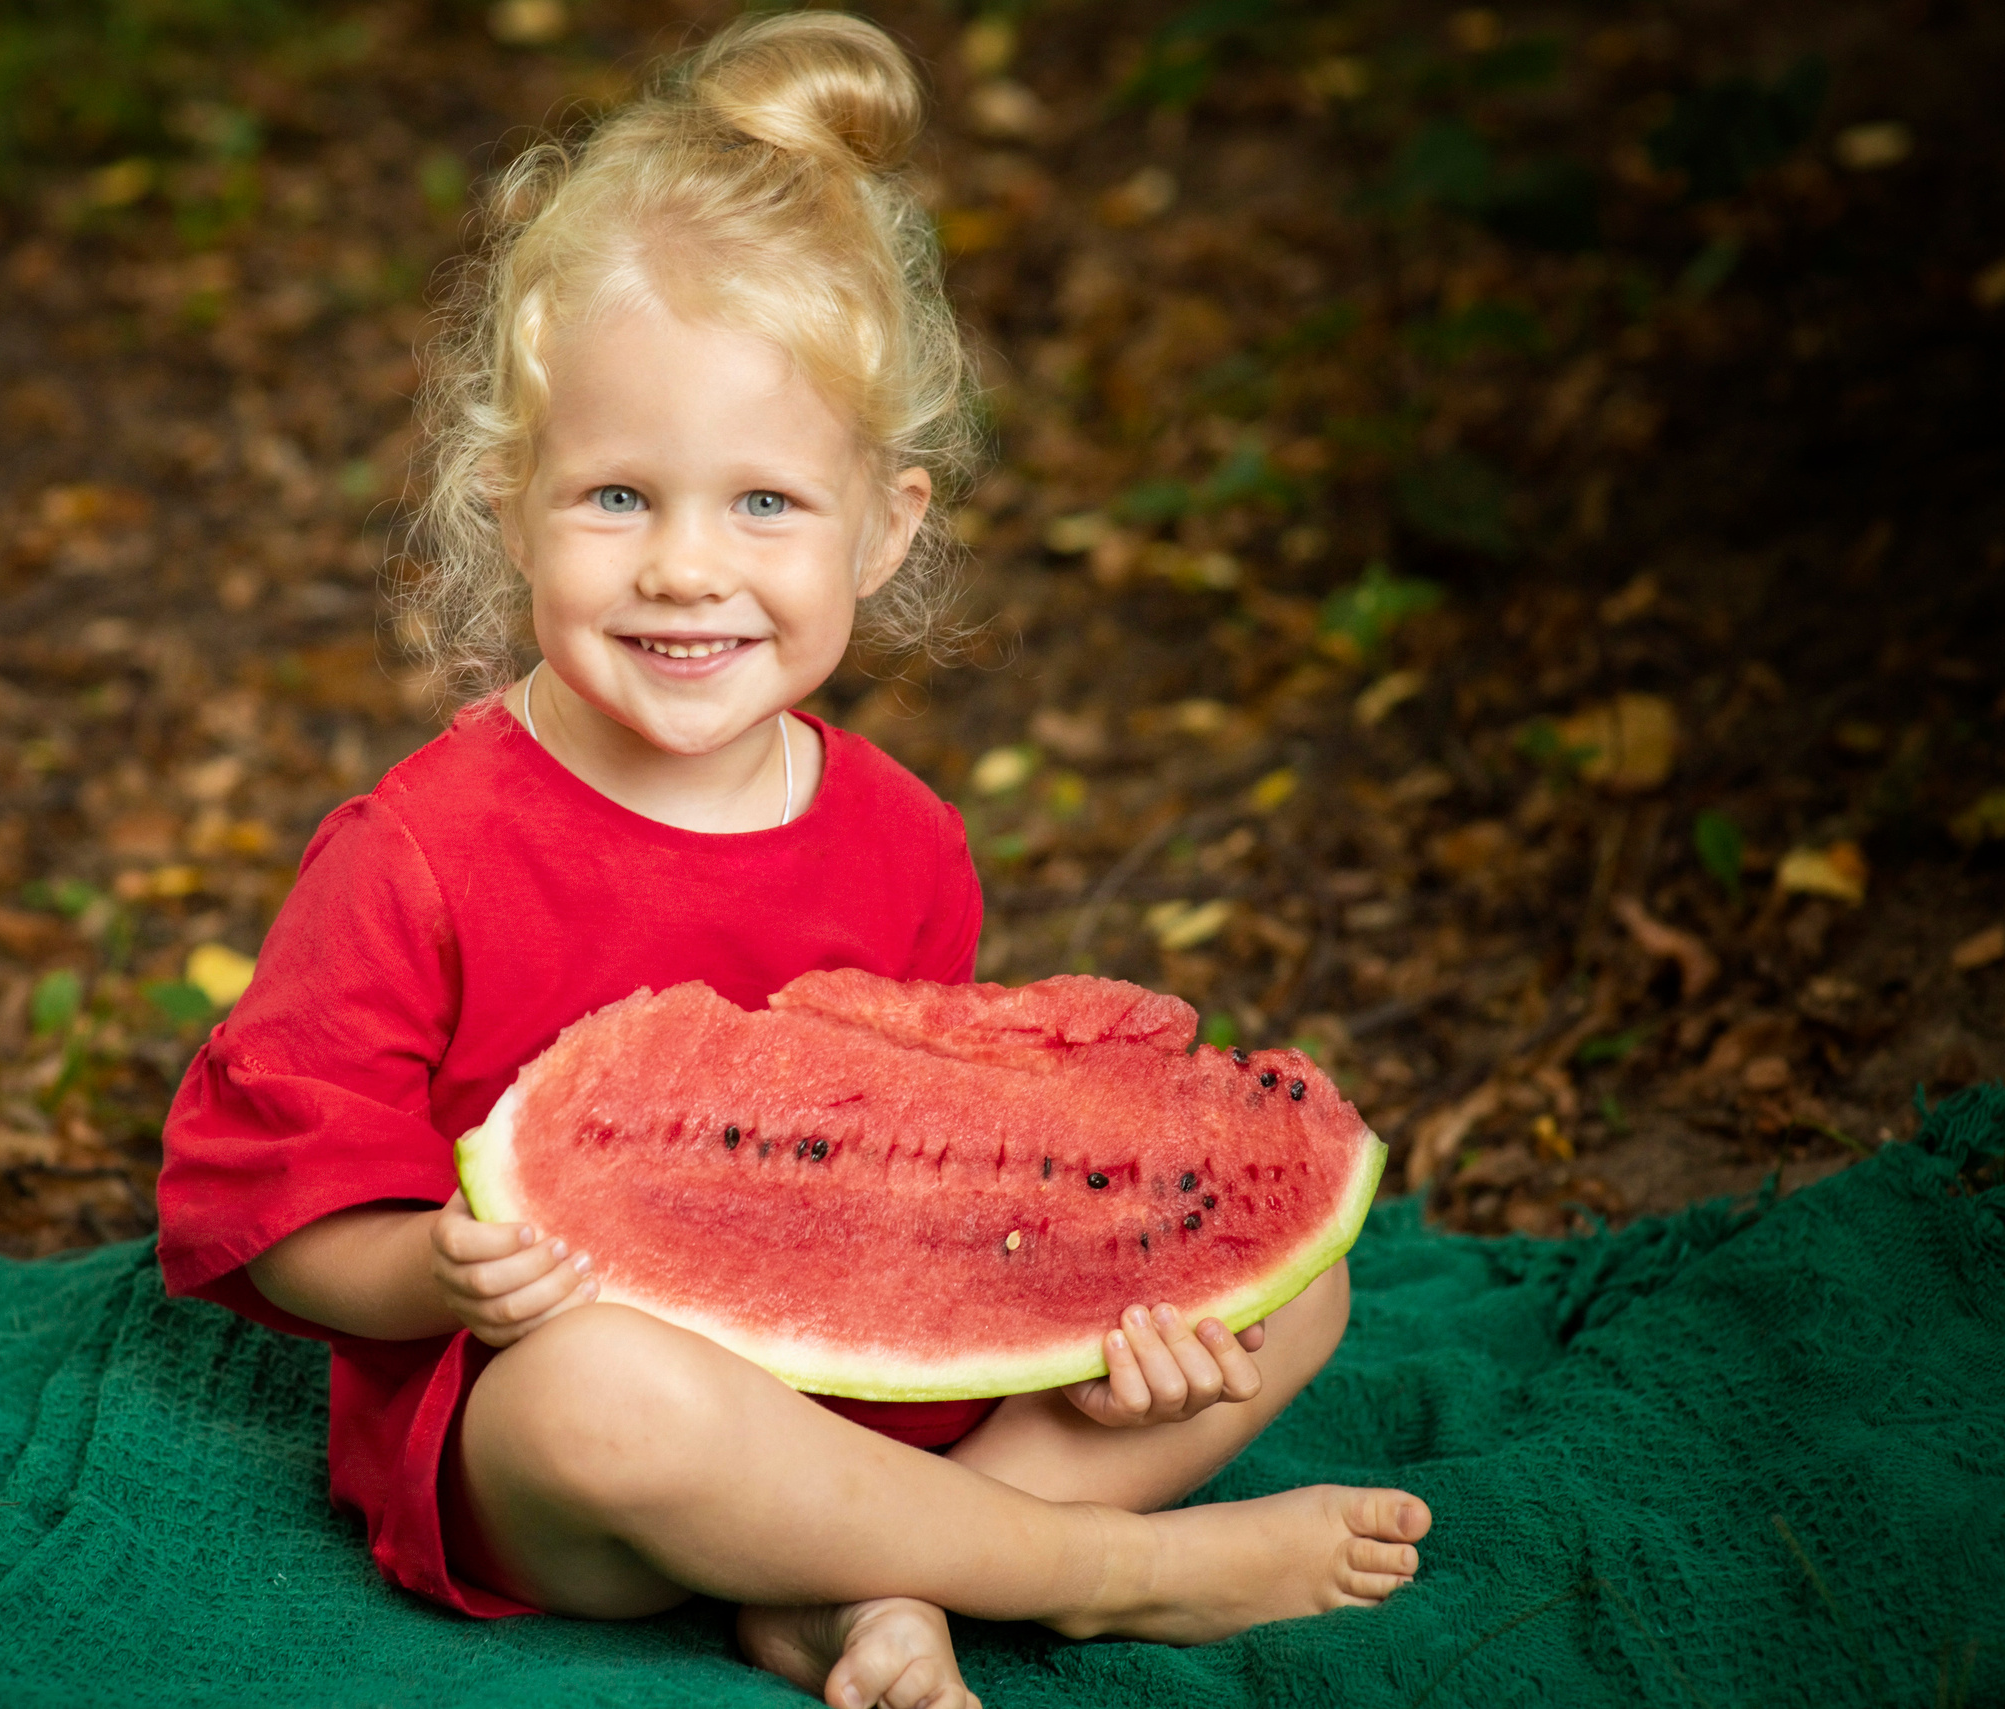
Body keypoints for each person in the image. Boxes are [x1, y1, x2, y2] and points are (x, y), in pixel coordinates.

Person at [156, 14, 1429, 1708]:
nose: (690, 569)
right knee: (606, 1386)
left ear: (885, 527)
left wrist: (1108, 1336)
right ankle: (1105, 1571)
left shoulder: (908, 840)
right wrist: (429, 1267)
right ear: (511, 501)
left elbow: (942, 1200)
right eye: (616, 498)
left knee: (1306, 1285)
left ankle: (860, 1596)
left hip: (880, 1403)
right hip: (562, 1454)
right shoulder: (420, 849)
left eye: (764, 504)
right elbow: (259, 1198)